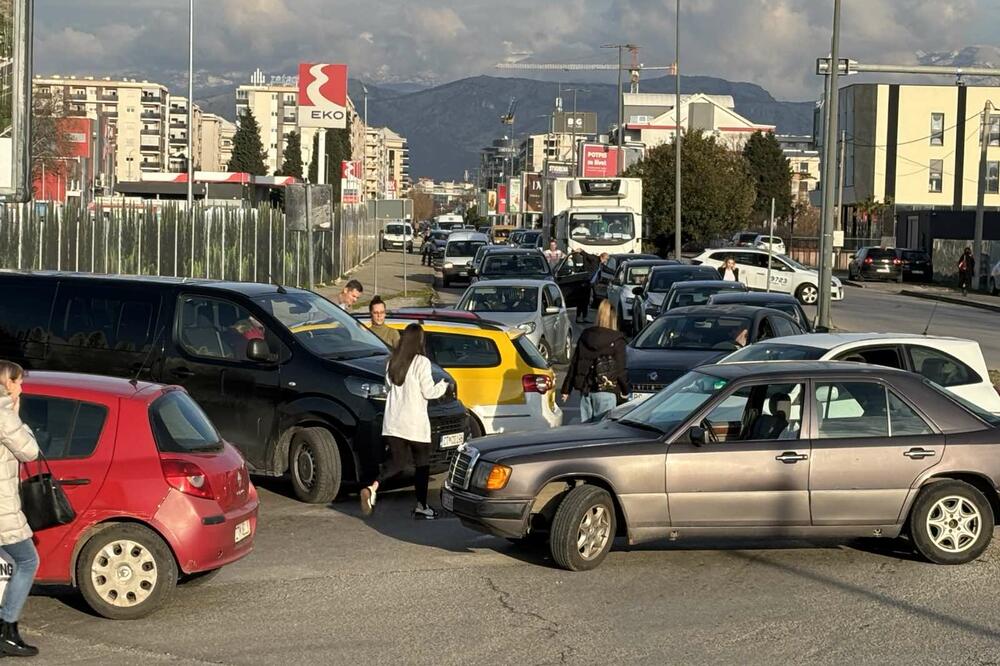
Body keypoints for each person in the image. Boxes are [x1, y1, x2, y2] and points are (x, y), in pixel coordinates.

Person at [360, 324, 449, 519]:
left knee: (397, 463)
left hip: (393, 423)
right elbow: (429, 392)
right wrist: (443, 386)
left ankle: (372, 487)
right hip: (415, 423)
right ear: (419, 341)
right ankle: (422, 505)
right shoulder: (421, 362)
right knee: (422, 465)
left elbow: (388, 388)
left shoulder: (391, 362)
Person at [0, 361, 40, 658]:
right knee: (27, 561)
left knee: (7, 565)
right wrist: (16, 413)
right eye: (19, 382)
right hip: (2, 508)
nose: (22, 388)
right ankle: (7, 630)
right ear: (7, 383)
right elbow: (30, 450)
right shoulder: (2, 415)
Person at [561, 301, 628, 423]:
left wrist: (566, 389)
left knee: (587, 431)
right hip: (607, 390)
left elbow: (575, 363)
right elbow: (620, 369)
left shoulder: (586, 335)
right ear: (614, 318)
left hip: (586, 390)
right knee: (603, 431)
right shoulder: (617, 340)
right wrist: (625, 390)